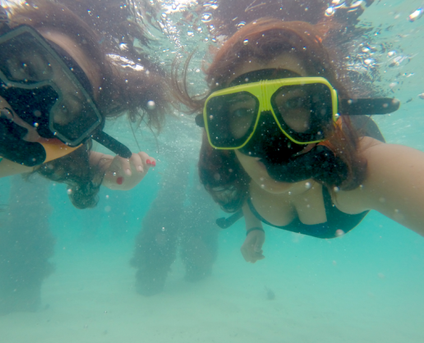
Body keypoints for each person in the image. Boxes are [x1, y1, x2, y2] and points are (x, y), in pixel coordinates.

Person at [176, 17, 424, 264]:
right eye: (241, 111)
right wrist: (254, 228)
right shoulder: (235, 161)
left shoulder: (365, 165)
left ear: (324, 109)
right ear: (221, 122)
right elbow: (245, 186)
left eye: (294, 103)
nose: (270, 140)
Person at [0, 0, 169, 235]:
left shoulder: (11, 154)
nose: (28, 109)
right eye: (28, 69)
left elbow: (54, 153)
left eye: (62, 108)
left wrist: (101, 168)